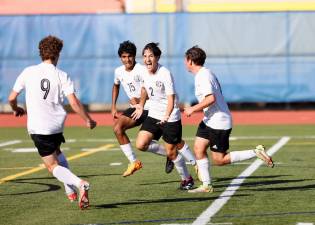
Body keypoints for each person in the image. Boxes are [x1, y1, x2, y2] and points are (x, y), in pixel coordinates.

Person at [8, 35, 97, 209]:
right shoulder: (62, 75)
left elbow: (12, 98)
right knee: (56, 151)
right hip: (56, 126)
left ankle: (80, 184)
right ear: (57, 54)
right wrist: (88, 120)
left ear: (41, 53)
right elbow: (74, 103)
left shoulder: (28, 71)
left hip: (39, 127)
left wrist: (16, 108)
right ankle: (68, 188)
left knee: (51, 166)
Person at [183, 46, 274, 193]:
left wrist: (193, 109)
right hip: (209, 120)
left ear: (190, 60)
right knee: (198, 148)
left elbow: (211, 98)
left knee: (219, 160)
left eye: (185, 60)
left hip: (219, 122)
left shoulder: (203, 76)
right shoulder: (203, 74)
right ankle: (207, 185)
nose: (184, 63)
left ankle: (255, 152)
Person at [112, 41, 195, 177]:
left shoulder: (143, 69)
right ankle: (134, 161)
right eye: (124, 57)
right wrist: (113, 106)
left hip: (152, 109)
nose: (127, 59)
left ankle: (189, 163)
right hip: (139, 108)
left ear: (134, 56)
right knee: (118, 128)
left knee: (174, 141)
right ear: (120, 57)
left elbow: (154, 92)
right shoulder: (118, 71)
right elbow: (116, 85)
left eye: (130, 56)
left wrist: (140, 101)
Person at [132, 42, 196, 190]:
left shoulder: (165, 73)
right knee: (141, 144)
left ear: (157, 57)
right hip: (154, 114)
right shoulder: (143, 72)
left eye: (151, 56)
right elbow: (144, 88)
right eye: (145, 56)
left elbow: (171, 98)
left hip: (170, 115)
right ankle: (169, 154)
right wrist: (141, 104)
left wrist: (166, 117)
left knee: (173, 152)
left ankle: (187, 179)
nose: (147, 59)